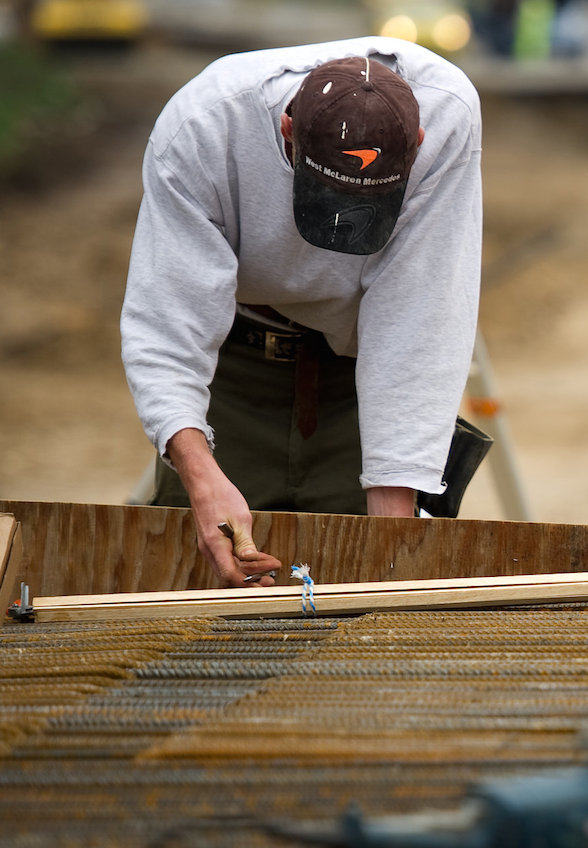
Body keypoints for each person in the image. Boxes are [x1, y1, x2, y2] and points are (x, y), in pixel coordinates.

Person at [122, 38, 483, 587]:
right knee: (197, 583)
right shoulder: (203, 126)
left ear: (419, 145)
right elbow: (169, 325)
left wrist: (392, 533)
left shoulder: (448, 112)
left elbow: (417, 316)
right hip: (237, 370)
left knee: (370, 594)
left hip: (357, 379)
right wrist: (201, 479)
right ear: (289, 132)